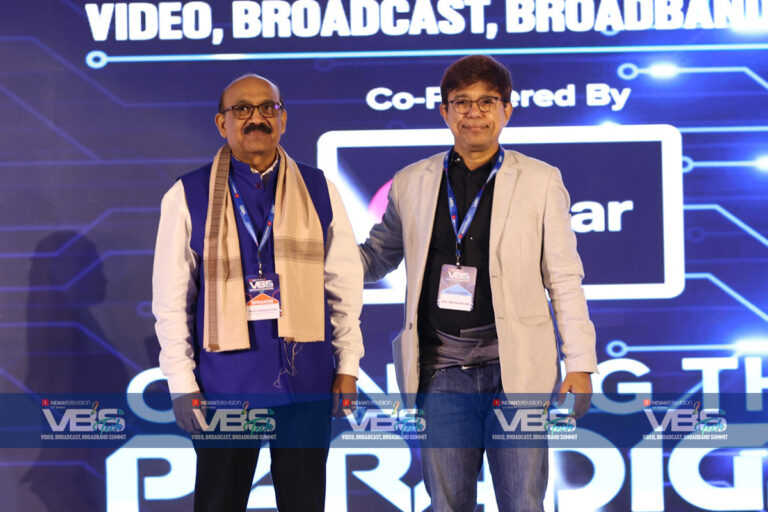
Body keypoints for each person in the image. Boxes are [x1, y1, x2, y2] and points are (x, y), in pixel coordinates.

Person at [359, 55, 597, 511]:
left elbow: (565, 278)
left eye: (487, 101)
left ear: (507, 110)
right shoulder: (411, 182)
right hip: (441, 368)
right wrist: (309, 260)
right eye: (462, 102)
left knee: (523, 502)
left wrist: (580, 363)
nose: (474, 112)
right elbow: (375, 258)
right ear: (444, 111)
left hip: (516, 366)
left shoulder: (541, 181)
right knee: (447, 504)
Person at [152, 74, 363, 512]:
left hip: (306, 380)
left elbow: (343, 287)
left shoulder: (319, 188)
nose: (256, 118)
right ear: (221, 123)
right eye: (242, 109)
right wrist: (181, 383)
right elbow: (171, 301)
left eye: (268, 108)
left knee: (305, 504)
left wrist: (348, 366)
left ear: (283, 119)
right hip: (225, 384)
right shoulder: (187, 194)